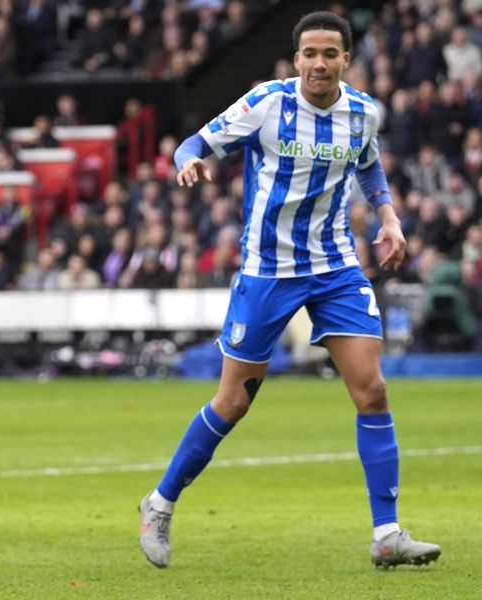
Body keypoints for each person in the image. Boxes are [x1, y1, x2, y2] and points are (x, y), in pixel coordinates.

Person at [139, 12, 441, 570]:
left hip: (336, 268)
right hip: (268, 269)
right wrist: (189, 165)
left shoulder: (363, 114)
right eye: (310, 54)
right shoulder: (267, 104)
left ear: (346, 60)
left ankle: (387, 534)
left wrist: (390, 219)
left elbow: (369, 169)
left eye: (330, 53)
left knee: (371, 389)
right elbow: (192, 144)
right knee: (233, 402)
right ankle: (159, 503)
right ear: (296, 58)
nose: (319, 63)